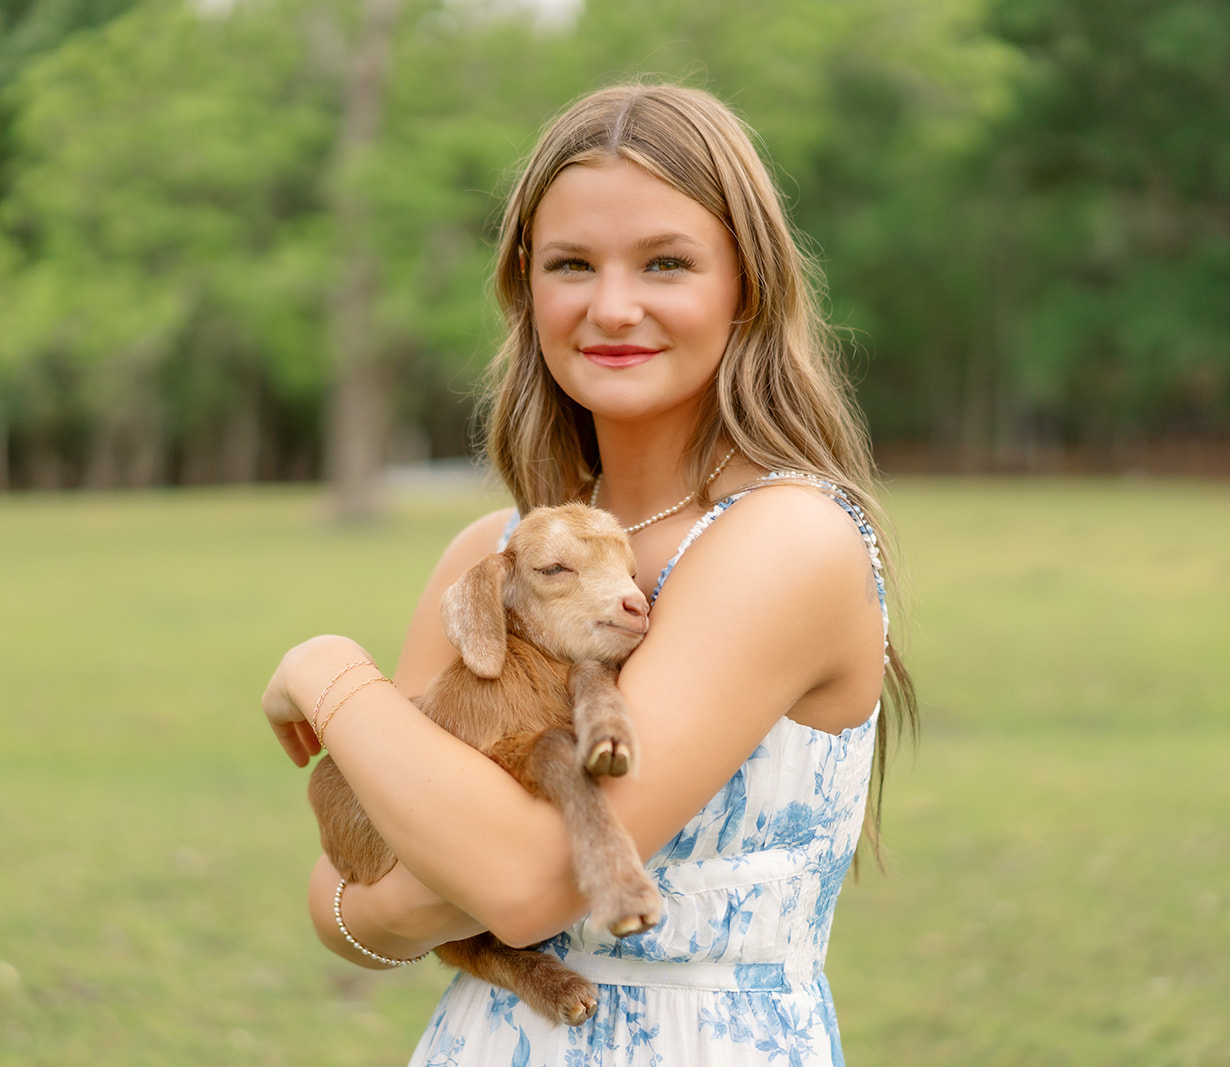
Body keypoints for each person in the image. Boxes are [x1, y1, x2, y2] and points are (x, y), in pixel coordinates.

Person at [261, 83, 916, 1065]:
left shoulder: (787, 539)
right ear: (526, 287)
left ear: (748, 284)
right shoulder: (499, 558)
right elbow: (340, 889)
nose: (613, 307)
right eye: (572, 264)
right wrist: (426, 888)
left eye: (665, 262)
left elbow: (525, 884)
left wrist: (324, 672)